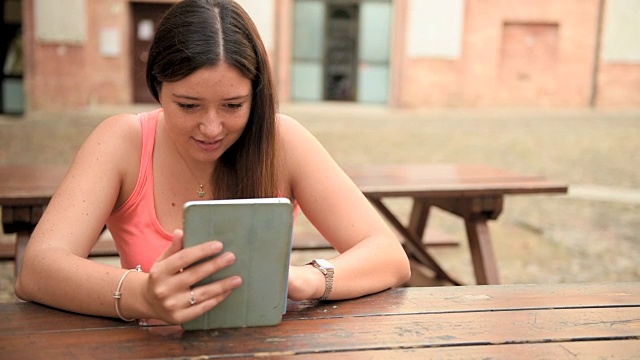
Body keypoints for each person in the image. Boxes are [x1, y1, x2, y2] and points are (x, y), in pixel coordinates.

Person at [14, 0, 410, 325]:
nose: (211, 128)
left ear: (256, 96)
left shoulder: (281, 140)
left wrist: (305, 279)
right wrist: (144, 295)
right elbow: (38, 270)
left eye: (233, 105)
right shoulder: (122, 141)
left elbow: (389, 255)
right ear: (157, 87)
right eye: (188, 105)